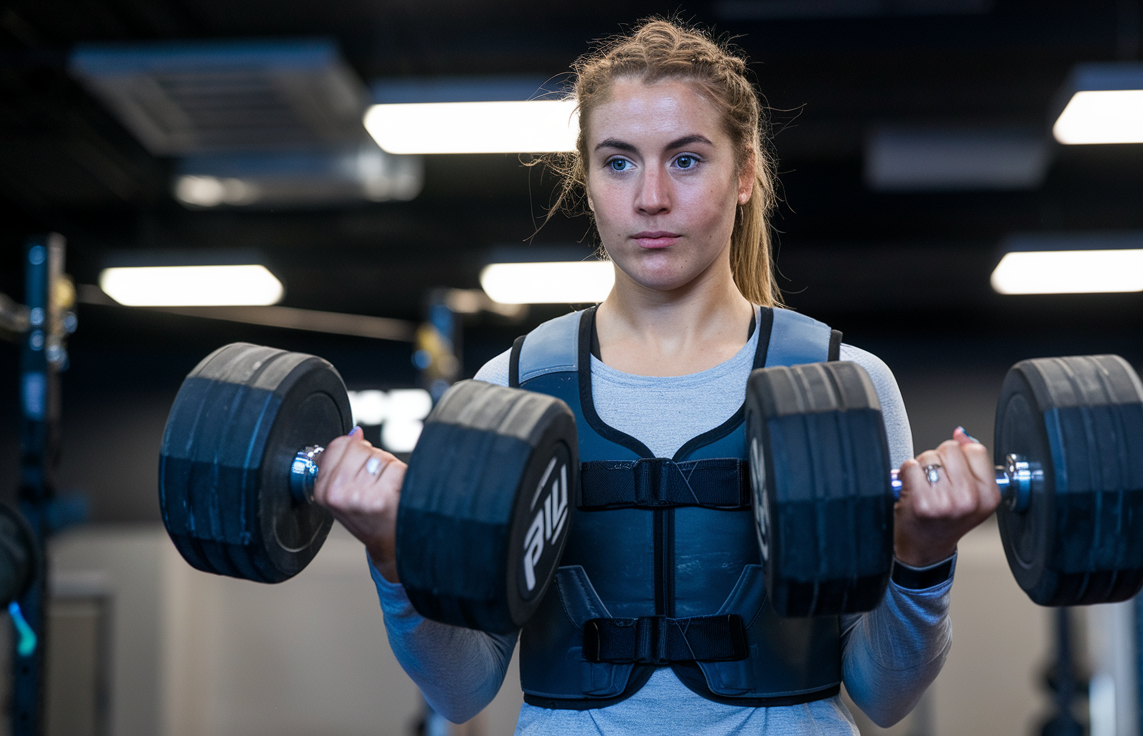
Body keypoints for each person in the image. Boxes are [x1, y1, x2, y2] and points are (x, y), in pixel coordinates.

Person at [313, 18, 1000, 735]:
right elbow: (462, 687)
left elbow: (885, 696)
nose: (649, 198)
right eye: (618, 162)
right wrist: (392, 557)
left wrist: (924, 557)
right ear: (586, 181)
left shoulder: (844, 382)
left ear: (745, 173)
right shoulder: (509, 387)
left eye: (685, 160)